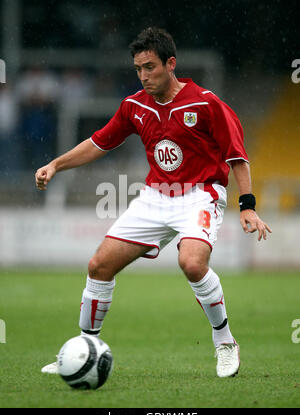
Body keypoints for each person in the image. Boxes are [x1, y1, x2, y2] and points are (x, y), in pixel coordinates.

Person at [35, 27, 271, 378]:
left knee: (192, 263)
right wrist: (56, 164)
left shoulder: (206, 103)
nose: (144, 76)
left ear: (170, 63)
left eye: (150, 67)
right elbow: (99, 143)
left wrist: (248, 205)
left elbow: (237, 155)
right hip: (155, 198)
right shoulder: (134, 106)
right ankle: (83, 350)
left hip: (200, 195)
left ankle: (224, 343)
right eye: (138, 69)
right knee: (99, 265)